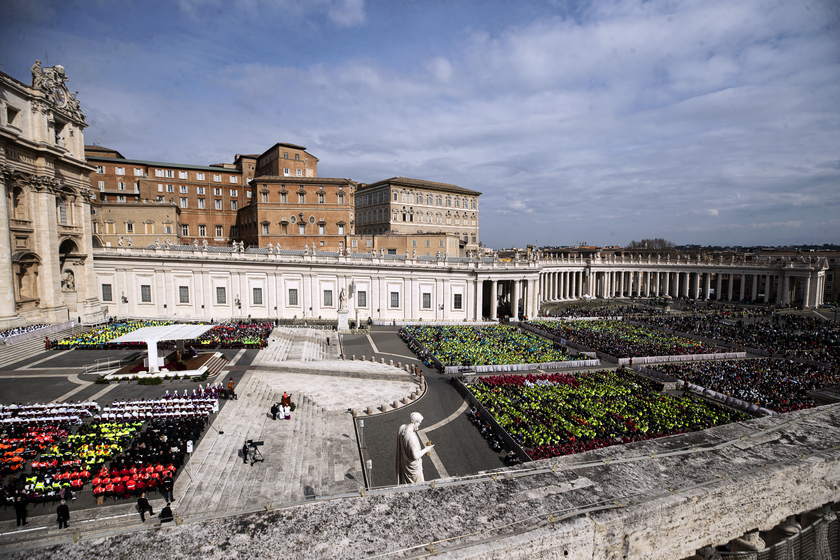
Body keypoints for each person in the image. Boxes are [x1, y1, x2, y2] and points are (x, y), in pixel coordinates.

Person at [395, 412, 434, 484]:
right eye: (419, 423)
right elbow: (415, 456)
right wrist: (426, 449)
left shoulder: (402, 428)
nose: (419, 425)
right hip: (414, 470)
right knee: (419, 486)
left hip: (405, 465)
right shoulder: (410, 437)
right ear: (415, 422)